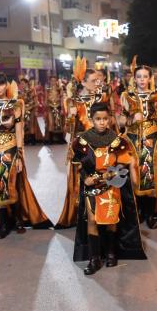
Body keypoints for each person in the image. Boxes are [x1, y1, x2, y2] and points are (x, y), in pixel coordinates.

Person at [72, 103, 146, 275]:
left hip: (111, 186)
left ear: (110, 119)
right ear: (91, 120)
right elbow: (79, 166)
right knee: (92, 220)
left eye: (105, 119)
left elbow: (122, 166)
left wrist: (111, 175)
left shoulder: (117, 141)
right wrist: (85, 178)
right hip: (91, 187)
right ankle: (94, 258)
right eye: (98, 119)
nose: (102, 122)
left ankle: (111, 253)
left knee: (111, 220)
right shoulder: (82, 141)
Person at [0, 73, 52, 239]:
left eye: (0, 83)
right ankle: (4, 223)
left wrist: (20, 154)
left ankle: (18, 219)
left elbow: (19, 131)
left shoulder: (17, 104)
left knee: (13, 183)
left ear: (6, 85)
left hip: (11, 148)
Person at [56, 63, 107, 229]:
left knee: (99, 181)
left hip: (99, 146)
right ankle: (82, 217)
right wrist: (71, 117)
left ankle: (98, 214)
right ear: (84, 83)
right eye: (93, 81)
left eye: (98, 81)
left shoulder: (102, 99)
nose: (97, 84)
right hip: (81, 147)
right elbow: (67, 129)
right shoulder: (73, 102)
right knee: (81, 182)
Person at [121, 64, 157, 229]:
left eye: (145, 76)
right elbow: (121, 121)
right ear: (134, 78)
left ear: (150, 78)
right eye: (138, 76)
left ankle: (149, 214)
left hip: (152, 141)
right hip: (132, 140)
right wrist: (133, 119)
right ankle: (137, 211)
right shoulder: (127, 96)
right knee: (135, 177)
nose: (142, 79)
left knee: (151, 177)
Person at [18, 78, 43, 145]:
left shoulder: (32, 90)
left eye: (23, 83)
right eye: (21, 84)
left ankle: (33, 140)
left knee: (31, 124)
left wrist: (36, 110)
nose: (22, 85)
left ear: (26, 83)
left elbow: (35, 100)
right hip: (23, 110)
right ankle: (26, 140)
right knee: (24, 124)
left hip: (31, 109)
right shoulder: (20, 92)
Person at [45, 75, 66, 144]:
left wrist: (62, 108)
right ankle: (50, 139)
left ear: (56, 81)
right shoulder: (47, 89)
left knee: (59, 123)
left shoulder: (59, 89)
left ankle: (60, 139)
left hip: (58, 107)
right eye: (51, 80)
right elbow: (45, 100)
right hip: (50, 107)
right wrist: (45, 109)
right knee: (51, 123)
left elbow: (62, 99)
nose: (53, 82)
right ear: (49, 81)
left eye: (54, 80)